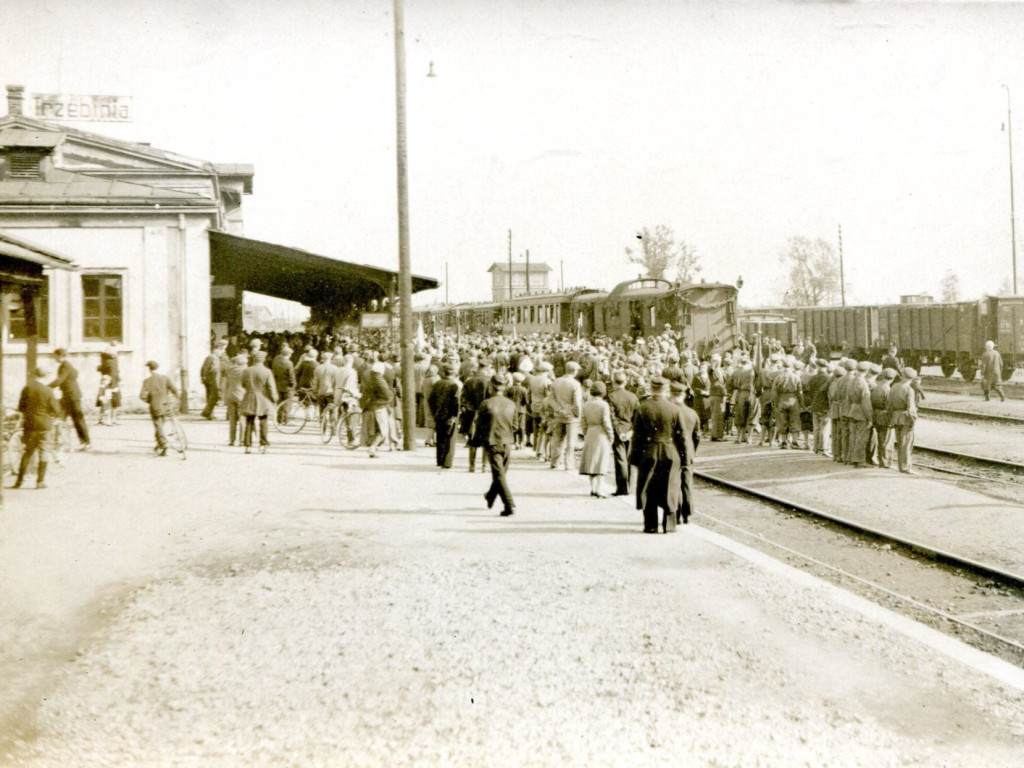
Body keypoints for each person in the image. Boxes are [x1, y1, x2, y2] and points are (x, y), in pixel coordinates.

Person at [630, 377, 685, 534]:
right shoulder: (675, 409)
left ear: (651, 388)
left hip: (648, 451)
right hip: (669, 451)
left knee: (648, 488)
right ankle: (669, 525)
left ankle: (650, 525)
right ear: (666, 389)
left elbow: (637, 436)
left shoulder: (643, 408)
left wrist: (634, 458)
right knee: (670, 487)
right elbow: (681, 436)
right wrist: (685, 457)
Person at [473, 372, 517, 516]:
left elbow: (479, 425)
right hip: (507, 441)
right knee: (501, 473)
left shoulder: (486, 403)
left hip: (492, 441)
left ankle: (509, 505)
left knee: (499, 475)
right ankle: (491, 495)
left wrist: (477, 440)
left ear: (491, 386)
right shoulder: (511, 404)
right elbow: (516, 426)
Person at [13, 367, 61, 489]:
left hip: (29, 425)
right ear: (45, 377)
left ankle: (19, 481)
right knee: (44, 452)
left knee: (27, 453)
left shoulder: (27, 388)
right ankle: (40, 482)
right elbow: (56, 410)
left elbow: (21, 407)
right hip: (44, 426)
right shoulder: (48, 391)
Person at [668, 378, 700, 524]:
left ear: (670, 394)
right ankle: (687, 513)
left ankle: (676, 512)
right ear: (684, 395)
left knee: (673, 482)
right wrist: (693, 450)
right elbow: (697, 436)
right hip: (688, 451)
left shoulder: (669, 411)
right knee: (687, 482)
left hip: (672, 451)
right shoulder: (692, 413)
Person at [49, 348, 91, 451]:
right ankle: (57, 442)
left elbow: (60, 380)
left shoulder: (66, 365)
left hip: (72, 397)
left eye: (55, 356)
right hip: (67, 396)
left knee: (78, 420)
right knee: (59, 418)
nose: (54, 358)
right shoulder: (66, 366)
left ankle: (86, 443)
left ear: (60, 356)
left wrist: (46, 387)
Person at [578, 381, 614, 498]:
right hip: (601, 433)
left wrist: (585, 432)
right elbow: (606, 422)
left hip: (590, 432)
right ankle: (599, 489)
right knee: (601, 462)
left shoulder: (586, 404)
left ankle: (593, 488)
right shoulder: (604, 405)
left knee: (591, 462)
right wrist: (610, 435)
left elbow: (583, 421)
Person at [607, 370, 639, 497]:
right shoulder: (633, 396)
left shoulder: (611, 396)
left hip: (618, 430)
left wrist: (619, 431)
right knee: (630, 459)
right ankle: (630, 487)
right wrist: (631, 431)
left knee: (620, 459)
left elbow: (611, 416)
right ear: (625, 382)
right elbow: (637, 416)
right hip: (630, 430)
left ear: (614, 382)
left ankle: (622, 488)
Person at [139, 361, 180, 457]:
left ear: (149, 369)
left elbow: (141, 396)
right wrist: (174, 401)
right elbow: (175, 390)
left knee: (158, 425)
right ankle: (158, 444)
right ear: (158, 368)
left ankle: (163, 445)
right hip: (166, 405)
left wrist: (150, 400)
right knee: (160, 425)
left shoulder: (147, 381)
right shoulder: (165, 378)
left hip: (155, 407)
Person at [241, 350, 278, 454]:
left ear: (253, 359)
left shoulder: (246, 371)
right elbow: (271, 387)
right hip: (263, 398)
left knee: (249, 421)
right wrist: (274, 398)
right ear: (263, 360)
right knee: (263, 422)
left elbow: (243, 384)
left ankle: (247, 445)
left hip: (249, 396)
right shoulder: (267, 371)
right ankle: (263, 445)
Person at [548, 360, 583, 470]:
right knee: (571, 441)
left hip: (558, 414)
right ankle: (568, 463)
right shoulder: (575, 384)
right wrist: (578, 414)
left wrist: (558, 409)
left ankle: (554, 462)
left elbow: (551, 399)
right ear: (575, 371)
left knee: (557, 439)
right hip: (571, 415)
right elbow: (577, 403)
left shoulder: (556, 382)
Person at [427, 362, 461, 468]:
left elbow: (430, 399)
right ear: (454, 373)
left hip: (439, 415)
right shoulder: (454, 385)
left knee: (440, 438)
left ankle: (440, 460)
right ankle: (447, 462)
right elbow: (456, 402)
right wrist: (455, 416)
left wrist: (434, 412)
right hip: (450, 415)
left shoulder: (437, 383)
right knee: (450, 439)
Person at [888, 367, 918, 473]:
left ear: (902, 376)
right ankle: (905, 467)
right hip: (905, 419)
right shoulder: (909, 390)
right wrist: (913, 421)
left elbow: (889, 404)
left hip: (896, 417)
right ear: (912, 378)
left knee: (900, 442)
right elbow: (911, 408)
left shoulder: (894, 386)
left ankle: (901, 466)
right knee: (906, 444)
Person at [361, 361, 393, 458]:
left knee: (374, 429)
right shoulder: (379, 380)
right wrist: (386, 401)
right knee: (383, 429)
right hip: (379, 407)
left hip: (370, 406)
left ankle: (374, 448)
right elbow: (388, 395)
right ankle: (373, 448)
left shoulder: (369, 378)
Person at [221, 352, 247, 446]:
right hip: (241, 397)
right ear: (243, 363)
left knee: (232, 420)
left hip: (230, 396)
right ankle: (242, 440)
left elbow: (226, 385)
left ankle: (232, 440)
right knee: (242, 419)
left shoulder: (230, 371)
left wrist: (224, 398)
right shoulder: (245, 371)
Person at [200, 340, 227, 419]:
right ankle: (207, 413)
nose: (221, 352)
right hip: (211, 380)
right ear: (217, 349)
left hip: (215, 379)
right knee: (212, 396)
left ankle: (209, 414)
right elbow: (204, 368)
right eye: (220, 350)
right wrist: (204, 378)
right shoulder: (211, 357)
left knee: (212, 397)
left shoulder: (219, 358)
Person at [97, 341, 121, 424]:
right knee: (106, 400)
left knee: (114, 400)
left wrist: (118, 379)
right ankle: (102, 419)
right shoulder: (107, 359)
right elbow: (105, 370)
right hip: (109, 382)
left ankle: (113, 419)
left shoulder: (113, 358)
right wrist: (107, 380)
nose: (116, 351)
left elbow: (115, 370)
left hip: (114, 381)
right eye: (114, 349)